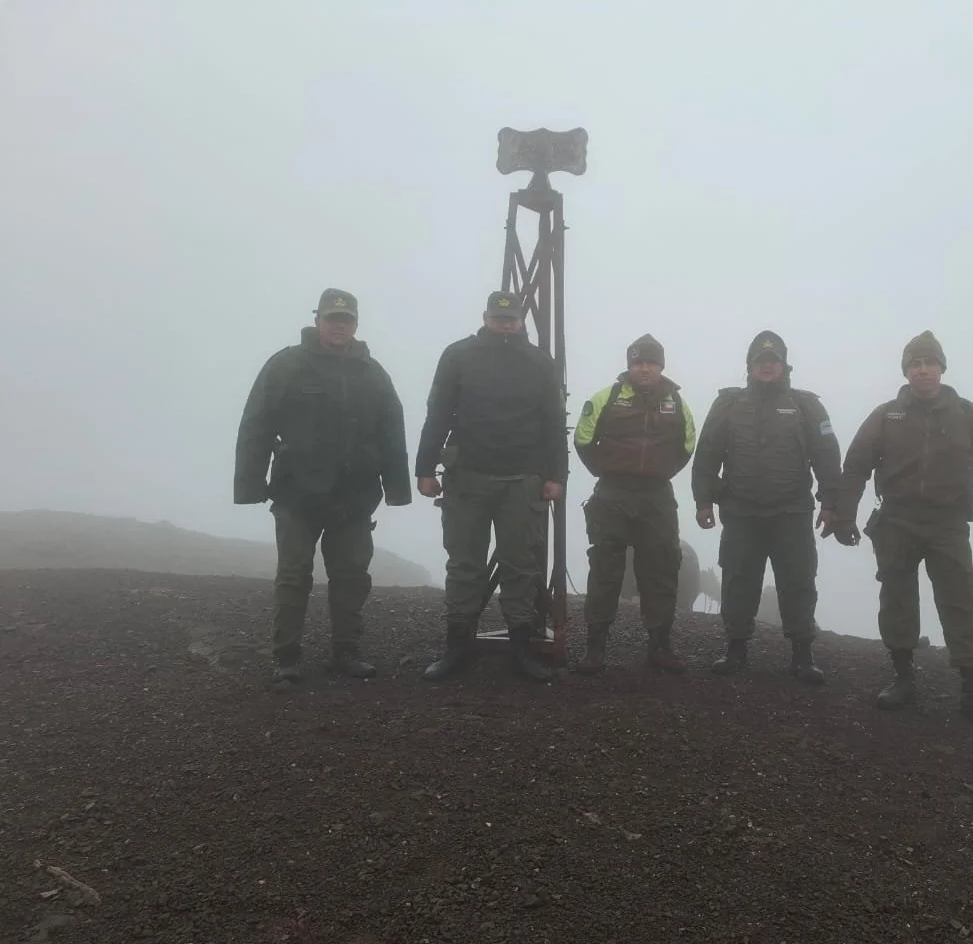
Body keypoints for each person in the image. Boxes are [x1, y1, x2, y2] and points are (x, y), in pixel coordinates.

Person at [832, 330, 973, 727]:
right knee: (897, 598)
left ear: (942, 368)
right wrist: (843, 516)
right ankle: (902, 678)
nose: (923, 370)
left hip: (949, 523)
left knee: (962, 601)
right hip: (896, 520)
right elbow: (856, 466)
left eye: (930, 363)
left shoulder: (967, 414)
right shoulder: (886, 415)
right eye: (915, 363)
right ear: (906, 370)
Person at [234, 288, 413, 686]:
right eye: (333, 318)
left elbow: (392, 432)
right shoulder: (286, 366)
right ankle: (286, 658)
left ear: (355, 324)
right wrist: (250, 484)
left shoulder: (373, 373)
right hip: (297, 493)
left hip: (355, 495)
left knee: (351, 575)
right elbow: (256, 424)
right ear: (317, 320)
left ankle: (346, 652)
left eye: (346, 319)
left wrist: (398, 489)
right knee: (294, 574)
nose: (339, 326)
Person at [414, 290, 568, 683]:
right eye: (499, 317)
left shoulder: (540, 362)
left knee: (521, 566)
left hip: (523, 480)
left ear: (521, 321)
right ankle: (456, 648)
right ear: (485, 317)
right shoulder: (458, 355)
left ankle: (522, 649)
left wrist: (556, 476)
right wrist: (425, 468)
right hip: (468, 477)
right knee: (464, 564)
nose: (505, 323)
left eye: (512, 318)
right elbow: (439, 413)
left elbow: (554, 421)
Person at [691, 330, 842, 684]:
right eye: (760, 361)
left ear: (784, 365)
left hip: (792, 513)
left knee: (798, 582)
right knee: (738, 580)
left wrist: (830, 502)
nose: (767, 366)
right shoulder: (728, 404)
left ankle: (803, 655)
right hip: (741, 512)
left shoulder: (807, 406)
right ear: (750, 366)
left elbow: (827, 456)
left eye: (773, 361)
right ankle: (736, 650)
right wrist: (703, 500)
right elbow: (707, 454)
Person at [572, 334, 698, 674]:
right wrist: (604, 470)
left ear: (661, 366)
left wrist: (662, 472)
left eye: (651, 362)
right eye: (638, 362)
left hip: (656, 497)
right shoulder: (608, 397)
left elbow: (688, 443)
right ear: (629, 365)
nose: (644, 368)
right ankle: (595, 649)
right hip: (612, 494)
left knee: (661, 570)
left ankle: (659, 647)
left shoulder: (676, 402)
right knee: (605, 570)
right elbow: (583, 437)